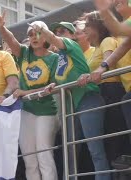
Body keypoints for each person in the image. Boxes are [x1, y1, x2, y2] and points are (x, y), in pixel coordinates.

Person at [31, 22, 111, 180]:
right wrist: (53, 85)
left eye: (63, 30)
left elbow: (53, 39)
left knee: (95, 150)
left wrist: (41, 28)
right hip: (70, 108)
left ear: (73, 35)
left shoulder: (71, 45)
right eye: (56, 30)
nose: (58, 33)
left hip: (88, 99)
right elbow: (59, 79)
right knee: (70, 153)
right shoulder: (58, 57)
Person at [0, 11, 59, 180]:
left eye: (38, 33)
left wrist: (24, 92)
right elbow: (11, 41)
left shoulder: (55, 59)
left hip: (46, 111)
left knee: (44, 157)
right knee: (30, 160)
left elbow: (51, 88)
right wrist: (1, 27)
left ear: (46, 36)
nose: (34, 37)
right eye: (30, 34)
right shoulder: (24, 53)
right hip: (26, 111)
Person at [80, 11, 128, 162]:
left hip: (111, 91)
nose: (84, 29)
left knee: (114, 138)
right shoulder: (96, 48)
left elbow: (108, 62)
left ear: (98, 25)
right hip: (103, 92)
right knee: (108, 141)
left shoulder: (107, 40)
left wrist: (92, 74)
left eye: (87, 25)